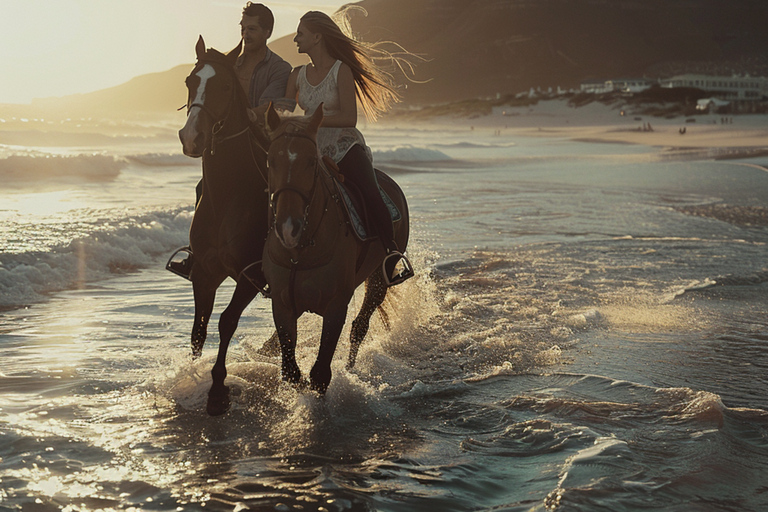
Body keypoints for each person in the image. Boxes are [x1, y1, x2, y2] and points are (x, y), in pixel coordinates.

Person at [283, 9, 414, 286]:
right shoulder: (296, 76)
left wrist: (310, 120)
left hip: (344, 146)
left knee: (369, 190)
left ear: (317, 37)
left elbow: (349, 117)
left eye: (300, 34)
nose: (295, 39)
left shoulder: (341, 70)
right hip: (312, 150)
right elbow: (283, 113)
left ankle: (391, 254)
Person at [168, 2, 293, 280]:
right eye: (243, 28)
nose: (246, 34)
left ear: (267, 31)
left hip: (260, 143)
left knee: (274, 192)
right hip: (226, 145)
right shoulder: (227, 63)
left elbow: (273, 105)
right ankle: (196, 255)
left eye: (252, 29)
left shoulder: (279, 68)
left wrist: (251, 113)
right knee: (204, 187)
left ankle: (278, 255)